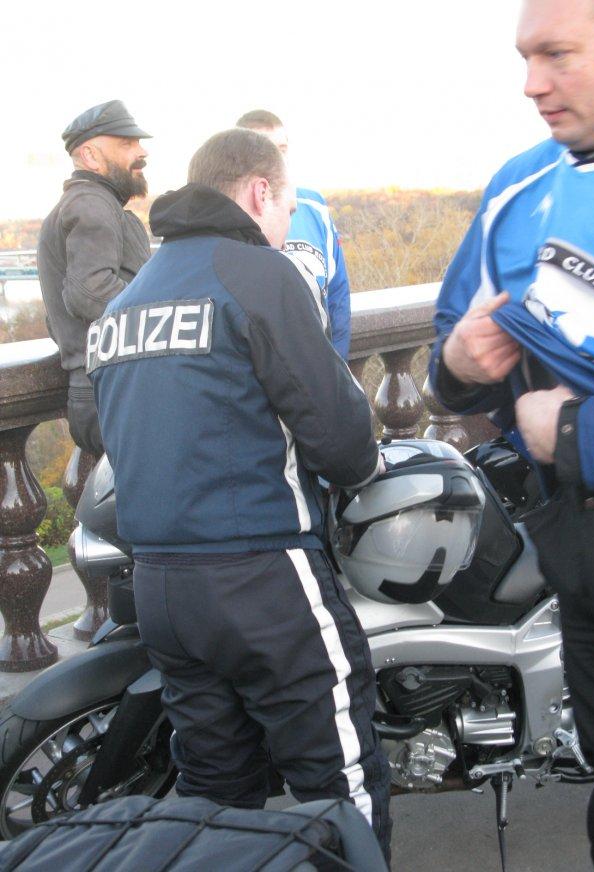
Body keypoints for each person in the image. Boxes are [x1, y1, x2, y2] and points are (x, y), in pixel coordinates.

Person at [87, 128, 391, 859]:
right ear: (259, 192)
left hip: (160, 586)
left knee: (215, 799)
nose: (285, 224)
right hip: (262, 579)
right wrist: (362, 469)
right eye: (285, 207)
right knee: (339, 787)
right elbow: (342, 439)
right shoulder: (259, 274)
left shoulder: (126, 302)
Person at [429, 1, 594, 869]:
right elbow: (452, 350)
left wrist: (574, 431)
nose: (531, 83)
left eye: (558, 54)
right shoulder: (517, 188)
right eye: (524, 57)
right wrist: (458, 363)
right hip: (592, 559)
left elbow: (565, 426)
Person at [37, 100, 151, 456]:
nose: (141, 152)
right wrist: (163, 312)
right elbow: (89, 291)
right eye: (126, 143)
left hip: (102, 388)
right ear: (90, 156)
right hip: (112, 389)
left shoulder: (89, 202)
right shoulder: (91, 203)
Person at [236, 110, 352, 359]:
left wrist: (337, 364)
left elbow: (337, 293)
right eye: (267, 149)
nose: (278, 159)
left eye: (282, 148)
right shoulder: (229, 213)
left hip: (319, 367)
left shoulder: (314, 206)